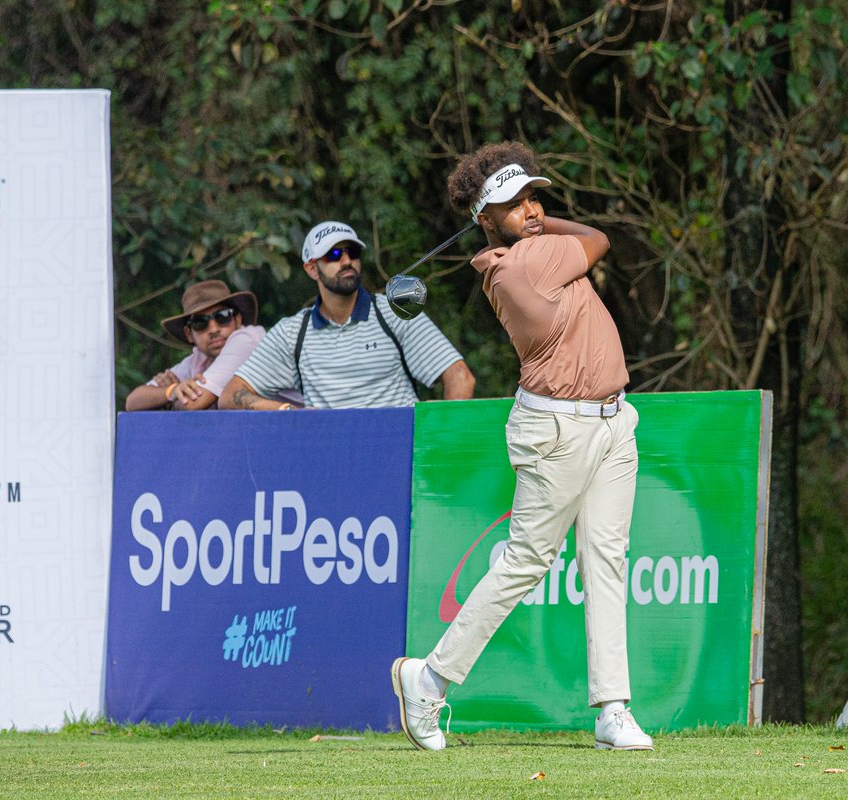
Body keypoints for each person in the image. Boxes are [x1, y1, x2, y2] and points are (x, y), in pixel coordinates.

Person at [390, 142, 653, 752]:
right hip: (558, 433)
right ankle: (427, 678)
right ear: (485, 219)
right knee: (525, 562)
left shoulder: (519, 250)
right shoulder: (519, 267)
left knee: (607, 559)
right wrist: (533, 228)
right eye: (514, 204)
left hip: (613, 422)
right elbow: (597, 238)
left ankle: (613, 708)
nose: (532, 211)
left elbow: (585, 240)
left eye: (535, 197)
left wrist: (517, 218)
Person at [219, 220, 475, 410]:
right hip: (333, 465)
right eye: (333, 254)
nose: (346, 261)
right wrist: (283, 410)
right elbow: (230, 395)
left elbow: (460, 377)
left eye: (352, 252)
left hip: (401, 457)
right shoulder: (291, 333)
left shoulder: (395, 311)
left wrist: (441, 446)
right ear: (311, 269)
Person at [124, 280, 278, 411]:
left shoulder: (246, 340)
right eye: (200, 322)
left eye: (222, 317)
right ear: (189, 333)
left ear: (237, 320)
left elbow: (193, 403)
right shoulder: (198, 359)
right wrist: (172, 390)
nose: (213, 329)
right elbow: (132, 401)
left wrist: (170, 400)